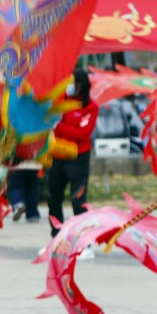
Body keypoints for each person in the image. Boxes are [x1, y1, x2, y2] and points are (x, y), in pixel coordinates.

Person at [45, 68, 99, 259]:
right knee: (53, 198)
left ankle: (85, 245)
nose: (68, 86)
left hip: (78, 159)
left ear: (81, 86)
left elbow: (81, 134)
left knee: (78, 201)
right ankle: (57, 240)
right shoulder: (63, 102)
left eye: (72, 83)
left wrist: (59, 125)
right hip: (58, 156)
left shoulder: (91, 107)